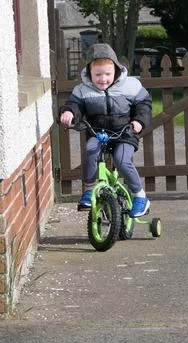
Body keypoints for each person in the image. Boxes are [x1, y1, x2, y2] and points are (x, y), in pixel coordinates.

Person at [59, 43, 151, 217]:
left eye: (107, 74)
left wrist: (139, 121)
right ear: (89, 73)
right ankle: (88, 190)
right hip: (98, 133)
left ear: (116, 70)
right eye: (97, 74)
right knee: (90, 150)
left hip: (125, 133)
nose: (103, 79)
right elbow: (74, 105)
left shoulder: (131, 85)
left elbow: (144, 105)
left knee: (121, 160)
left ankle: (140, 196)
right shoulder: (82, 90)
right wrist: (69, 112)